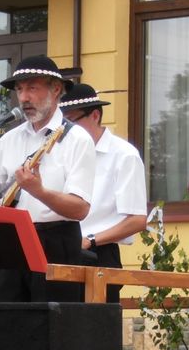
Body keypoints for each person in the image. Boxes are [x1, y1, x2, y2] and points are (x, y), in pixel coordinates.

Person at [0, 55, 96, 302]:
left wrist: (38, 191)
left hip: (57, 241)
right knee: (7, 317)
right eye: (19, 89)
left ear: (56, 89)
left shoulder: (77, 139)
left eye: (32, 88)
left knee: (51, 320)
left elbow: (80, 208)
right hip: (12, 240)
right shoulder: (8, 140)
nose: (23, 97)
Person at [60, 82, 148, 303]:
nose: (65, 129)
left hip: (98, 253)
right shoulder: (61, 152)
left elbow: (137, 220)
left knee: (94, 323)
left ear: (95, 115)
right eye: (62, 123)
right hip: (62, 249)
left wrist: (90, 240)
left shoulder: (124, 155)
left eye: (71, 121)